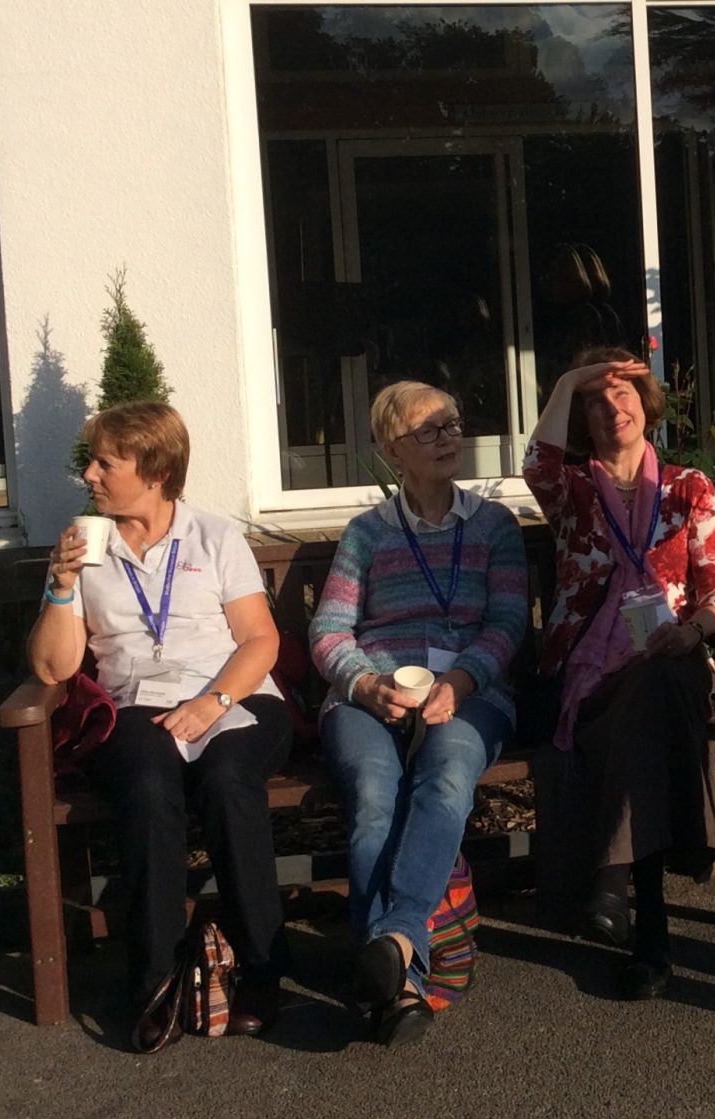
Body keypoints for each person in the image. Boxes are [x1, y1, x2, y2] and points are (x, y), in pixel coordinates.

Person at [28, 401, 292, 1050]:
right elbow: (52, 664)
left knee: (229, 780)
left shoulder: (214, 537)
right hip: (137, 705)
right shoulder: (85, 545)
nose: (89, 473)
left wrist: (215, 701)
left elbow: (260, 638)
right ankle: (153, 981)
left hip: (236, 694)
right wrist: (62, 585)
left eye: (104, 461)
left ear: (153, 469)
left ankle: (262, 970)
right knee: (148, 784)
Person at [310, 380, 527, 1047]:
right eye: (429, 429)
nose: (448, 437)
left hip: (468, 687)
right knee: (377, 795)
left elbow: (508, 621)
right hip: (374, 692)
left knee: (446, 777)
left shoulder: (494, 525)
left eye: (453, 424)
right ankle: (402, 979)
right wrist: (365, 684)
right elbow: (329, 631)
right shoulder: (368, 533)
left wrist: (461, 681)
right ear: (390, 448)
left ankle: (394, 942)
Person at [523, 346, 715, 1000]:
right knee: (649, 696)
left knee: (660, 678)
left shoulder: (688, 488)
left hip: (672, 659)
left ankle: (619, 892)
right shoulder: (573, 491)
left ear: (646, 407)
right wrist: (569, 376)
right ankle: (675, 872)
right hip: (589, 675)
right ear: (580, 416)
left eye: (622, 393)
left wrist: (692, 631)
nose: (610, 405)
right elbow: (536, 461)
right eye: (595, 397)